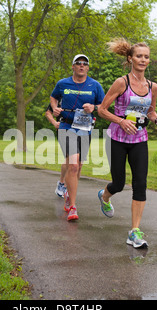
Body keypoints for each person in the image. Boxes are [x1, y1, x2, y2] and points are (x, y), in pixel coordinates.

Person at [97, 39, 157, 248]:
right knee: (118, 183)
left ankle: (134, 231)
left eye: (146, 57)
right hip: (117, 139)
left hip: (139, 140)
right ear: (130, 59)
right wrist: (121, 121)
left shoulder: (152, 86)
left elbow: (151, 110)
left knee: (140, 185)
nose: (143, 60)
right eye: (139, 56)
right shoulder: (121, 83)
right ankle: (105, 195)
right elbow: (102, 109)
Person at [50, 54, 105, 221]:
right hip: (67, 126)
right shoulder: (63, 83)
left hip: (85, 129)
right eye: (78, 63)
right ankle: (73, 206)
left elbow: (103, 106)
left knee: (78, 166)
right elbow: (53, 98)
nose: (82, 66)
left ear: (88, 67)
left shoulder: (95, 86)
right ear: (73, 66)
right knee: (73, 165)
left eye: (85, 63)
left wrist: (93, 107)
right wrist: (55, 108)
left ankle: (68, 193)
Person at [45, 102, 68, 198]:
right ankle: (62, 185)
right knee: (70, 158)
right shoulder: (60, 95)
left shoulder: (84, 92)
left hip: (81, 130)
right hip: (64, 130)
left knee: (79, 162)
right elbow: (48, 112)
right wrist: (54, 122)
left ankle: (67, 186)